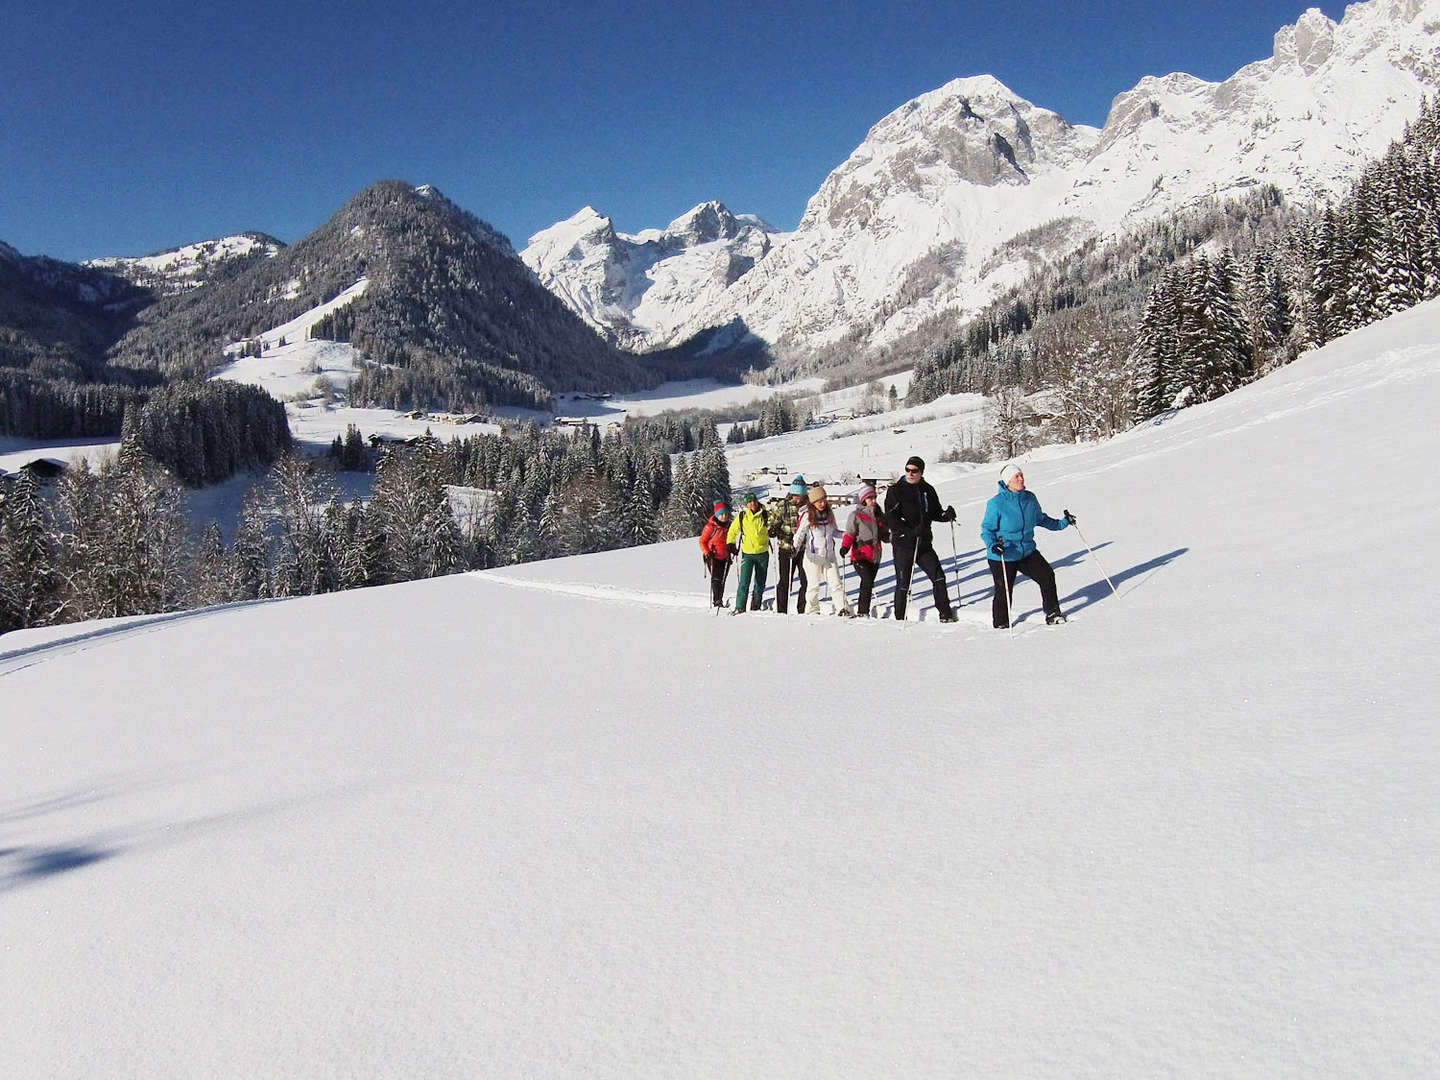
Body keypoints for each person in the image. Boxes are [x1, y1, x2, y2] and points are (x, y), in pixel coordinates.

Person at [980, 464, 1072, 627]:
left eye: (1021, 475)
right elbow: (987, 529)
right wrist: (993, 545)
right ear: (1008, 481)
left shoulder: (1029, 498)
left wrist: (1064, 523)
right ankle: (1001, 623)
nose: (1021, 478)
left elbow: (1041, 519)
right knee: (1004, 590)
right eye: (1017, 476)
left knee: (1047, 576)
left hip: (1026, 551)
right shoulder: (996, 503)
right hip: (1003, 553)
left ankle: (1052, 613)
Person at [883, 456, 956, 621]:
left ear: (921, 472)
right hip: (904, 544)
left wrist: (946, 515)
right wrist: (909, 531)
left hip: (923, 543)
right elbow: (891, 518)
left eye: (914, 471)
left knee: (938, 576)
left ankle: (945, 613)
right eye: (907, 470)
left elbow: (935, 512)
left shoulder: (927, 490)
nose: (910, 473)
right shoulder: (896, 490)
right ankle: (900, 617)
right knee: (904, 584)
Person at [792, 484, 853, 616]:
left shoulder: (829, 514)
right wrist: (794, 548)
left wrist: (848, 535)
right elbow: (800, 533)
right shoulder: (807, 515)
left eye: (824, 499)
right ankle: (812, 610)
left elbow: (834, 532)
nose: (822, 503)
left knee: (836, 584)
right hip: (813, 557)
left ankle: (842, 608)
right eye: (819, 501)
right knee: (813, 587)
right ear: (813, 502)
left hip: (829, 557)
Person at [840, 483, 889, 617]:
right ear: (863, 500)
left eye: (874, 497)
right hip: (860, 555)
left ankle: (863, 610)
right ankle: (862, 611)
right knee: (867, 581)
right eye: (870, 498)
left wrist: (893, 537)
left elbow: (884, 534)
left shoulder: (879, 515)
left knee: (868, 583)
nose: (873, 500)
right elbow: (850, 533)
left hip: (875, 555)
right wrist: (845, 547)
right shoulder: (855, 515)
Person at [766, 476, 810, 614]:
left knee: (806, 580)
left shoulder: (808, 506)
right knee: (785, 581)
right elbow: (771, 524)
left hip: (803, 549)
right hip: (786, 548)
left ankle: (802, 609)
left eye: (801, 496)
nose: (798, 499)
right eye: (796, 495)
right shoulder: (782, 505)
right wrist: (774, 529)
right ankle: (782, 610)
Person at [727, 491, 772, 613]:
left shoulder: (765, 515)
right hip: (747, 554)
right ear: (746, 504)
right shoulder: (742, 516)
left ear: (757, 501)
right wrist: (730, 544)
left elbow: (773, 527)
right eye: (749, 502)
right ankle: (740, 607)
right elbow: (732, 531)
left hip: (762, 553)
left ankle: (756, 606)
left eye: (753, 501)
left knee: (760, 583)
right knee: (744, 582)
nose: (752, 504)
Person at [698, 500, 733, 610]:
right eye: (721, 514)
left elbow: (730, 540)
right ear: (717, 515)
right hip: (713, 556)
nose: (724, 516)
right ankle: (717, 601)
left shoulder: (728, 526)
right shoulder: (710, 527)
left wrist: (732, 550)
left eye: (726, 514)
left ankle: (719, 598)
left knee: (722, 579)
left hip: (725, 556)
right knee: (716, 578)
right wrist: (707, 553)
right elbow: (702, 541)